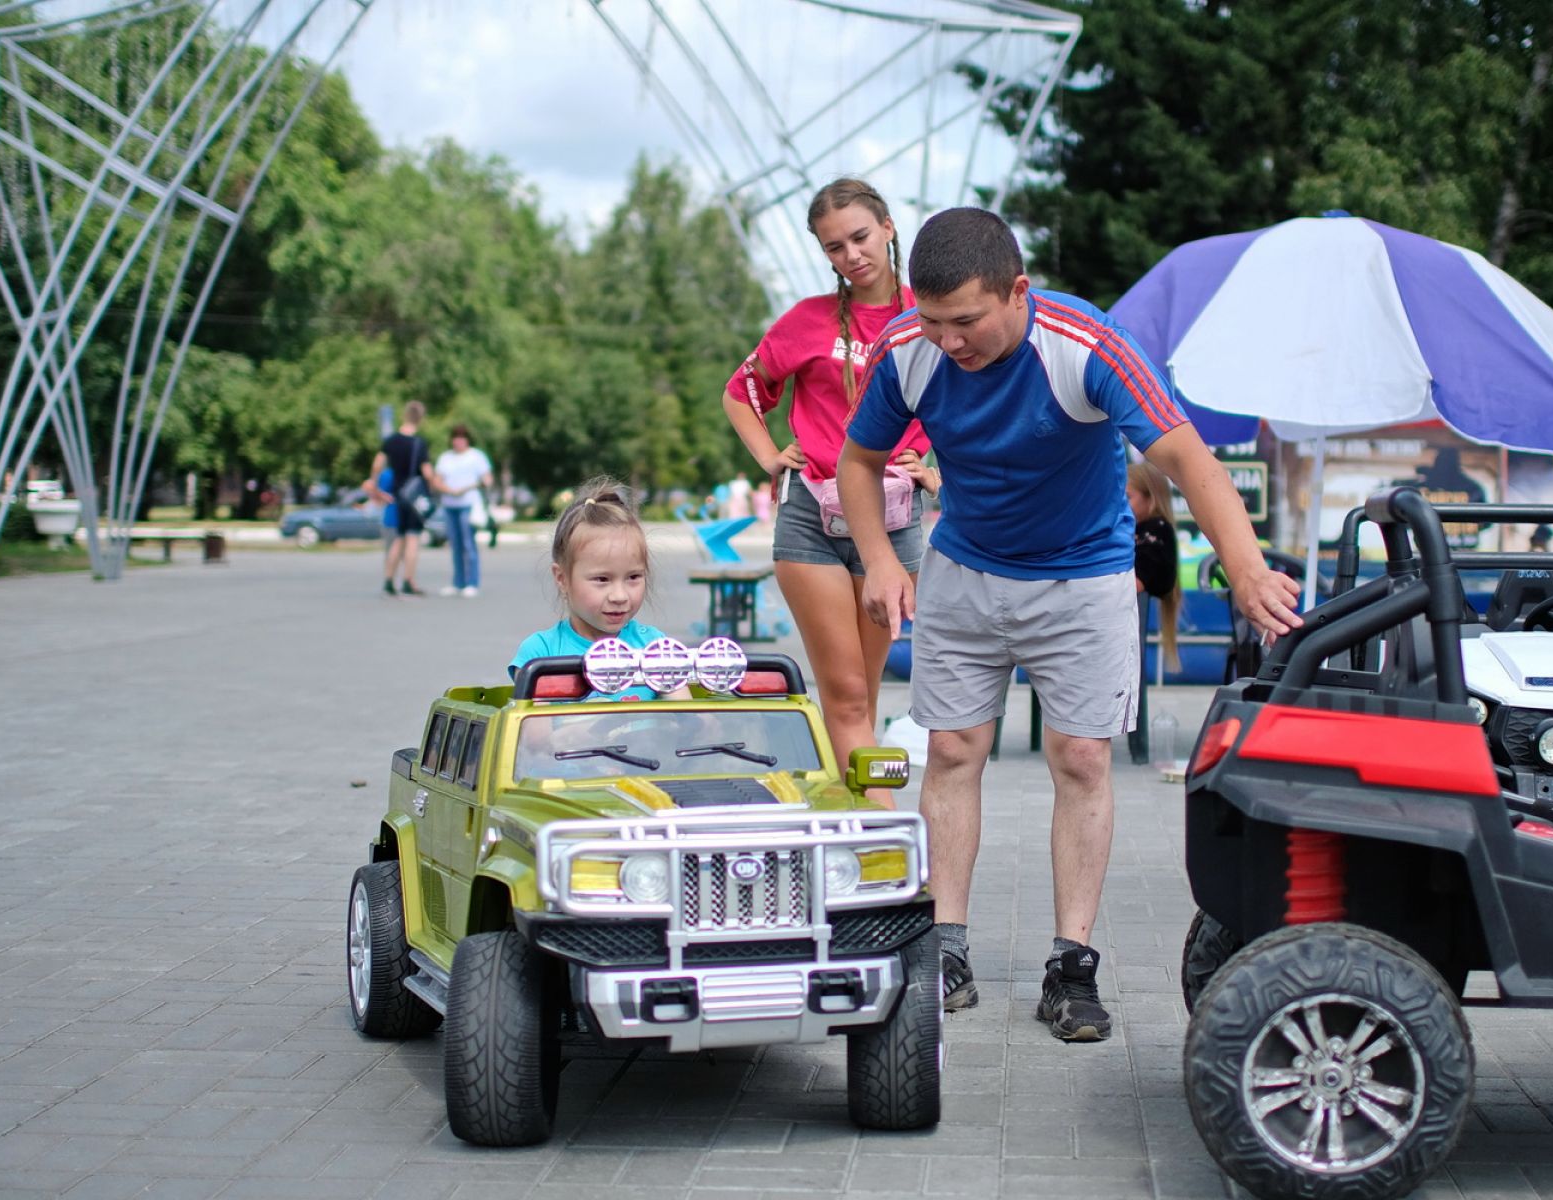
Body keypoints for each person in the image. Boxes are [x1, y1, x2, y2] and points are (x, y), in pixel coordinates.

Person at [837, 207, 1301, 1041]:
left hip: (1083, 578)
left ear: (1017, 291)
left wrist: (1245, 569)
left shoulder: (1086, 345)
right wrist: (876, 556)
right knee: (949, 751)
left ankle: (1072, 965)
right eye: (935, 321)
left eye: (968, 321)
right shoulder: (908, 347)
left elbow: (1188, 460)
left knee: (1082, 757)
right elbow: (859, 460)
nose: (949, 341)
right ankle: (944, 947)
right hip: (965, 571)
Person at [721, 177, 939, 809]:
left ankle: (844, 821)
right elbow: (741, 392)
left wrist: (934, 463)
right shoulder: (807, 320)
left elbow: (966, 403)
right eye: (834, 247)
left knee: (864, 696)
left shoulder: (927, 317)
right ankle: (883, 835)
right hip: (810, 520)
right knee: (844, 694)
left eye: (860, 237)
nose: (851, 256)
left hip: (893, 524)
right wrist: (769, 455)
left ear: (889, 228)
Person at [509, 479, 686, 702]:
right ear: (562, 579)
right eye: (602, 579)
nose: (620, 596)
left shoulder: (655, 648)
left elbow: (689, 719)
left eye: (633, 577)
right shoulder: (540, 654)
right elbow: (535, 735)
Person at [367, 401, 435, 597]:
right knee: (412, 538)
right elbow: (427, 473)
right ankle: (408, 580)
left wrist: (373, 483)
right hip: (414, 497)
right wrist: (431, 490)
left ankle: (389, 580)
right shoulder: (419, 443)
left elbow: (378, 463)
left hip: (398, 495)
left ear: (405, 415)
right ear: (420, 418)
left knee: (398, 538)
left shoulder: (391, 441)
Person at [1128, 461, 1183, 677]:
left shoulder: (1154, 534)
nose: (1121, 504)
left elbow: (1135, 584)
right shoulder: (1153, 532)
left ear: (1150, 497)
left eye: (1128, 497)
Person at [434, 424, 495, 597]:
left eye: (462, 438)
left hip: (468, 504)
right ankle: (458, 582)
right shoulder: (446, 458)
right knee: (455, 545)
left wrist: (470, 486)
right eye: (456, 438)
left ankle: (472, 582)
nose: (458, 441)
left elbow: (487, 479)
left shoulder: (476, 456)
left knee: (469, 543)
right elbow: (437, 481)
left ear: (467, 440)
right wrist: (450, 490)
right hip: (450, 505)